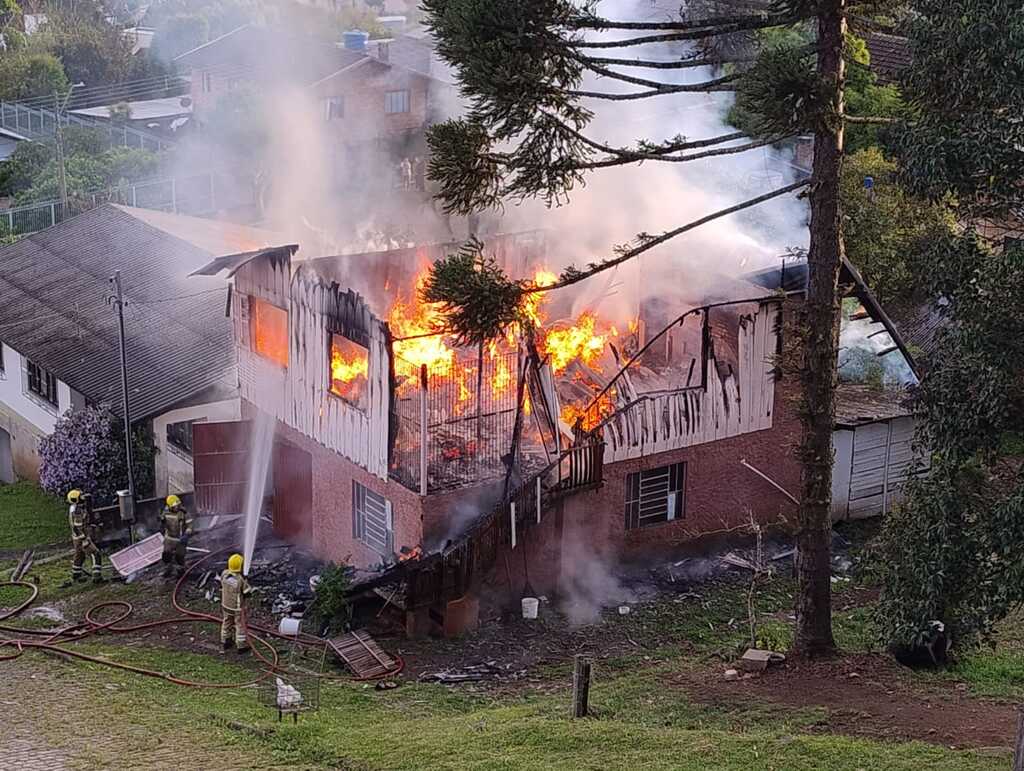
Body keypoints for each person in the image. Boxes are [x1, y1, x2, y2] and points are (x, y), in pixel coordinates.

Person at [66, 489, 103, 584]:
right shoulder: (78, 511)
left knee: (80, 556)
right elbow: (78, 527)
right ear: (76, 499)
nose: (83, 498)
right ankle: (97, 577)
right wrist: (85, 540)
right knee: (96, 553)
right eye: (81, 496)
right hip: (81, 538)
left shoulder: (74, 508)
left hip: (76, 538)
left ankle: (76, 574)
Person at [220, 553, 253, 653]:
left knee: (227, 622)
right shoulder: (240, 580)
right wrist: (247, 582)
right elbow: (247, 593)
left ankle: (226, 641)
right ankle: (241, 646)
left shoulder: (224, 574)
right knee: (240, 625)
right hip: (237, 608)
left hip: (225, 605)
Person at [159, 494, 193, 578]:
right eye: (175, 506)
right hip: (169, 538)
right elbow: (163, 523)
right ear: (170, 506)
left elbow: (190, 525)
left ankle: (181, 572)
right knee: (166, 555)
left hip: (180, 539)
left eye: (178, 505)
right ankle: (167, 570)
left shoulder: (183, 513)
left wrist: (187, 534)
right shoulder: (165, 512)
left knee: (179, 556)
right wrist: (162, 521)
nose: (177, 507)